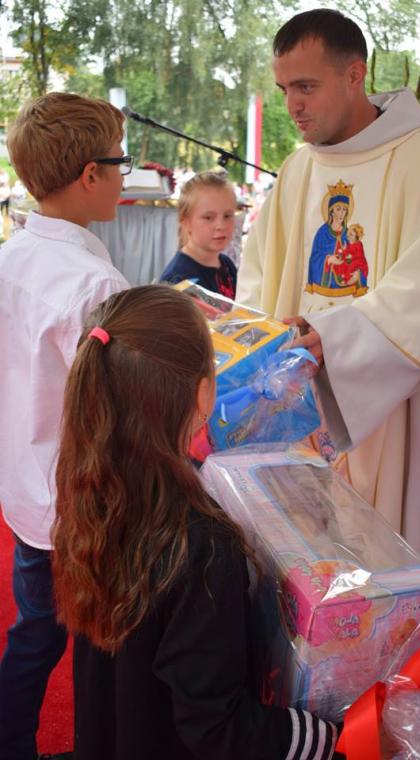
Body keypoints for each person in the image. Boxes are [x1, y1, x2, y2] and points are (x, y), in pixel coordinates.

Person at [237, 7, 420, 731]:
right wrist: (265, 340)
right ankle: (327, 706)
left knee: (411, 548)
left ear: (355, 74)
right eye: (284, 89)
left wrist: (336, 336)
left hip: (406, 415)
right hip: (311, 403)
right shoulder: (299, 170)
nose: (293, 106)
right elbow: (260, 277)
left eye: (306, 87)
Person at [51, 284, 343, 760]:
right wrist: (329, 736)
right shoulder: (200, 544)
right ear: (205, 392)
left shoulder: (96, 490)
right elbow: (216, 726)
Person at [0, 92, 131, 760]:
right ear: (90, 175)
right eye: (120, 162)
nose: (125, 175)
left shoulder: (12, 255)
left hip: (28, 493)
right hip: (84, 501)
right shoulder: (93, 283)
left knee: (35, 632)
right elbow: (121, 402)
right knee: (106, 641)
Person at [160, 171, 237, 298]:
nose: (221, 226)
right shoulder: (178, 281)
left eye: (227, 216)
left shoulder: (226, 265)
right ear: (186, 221)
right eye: (208, 217)